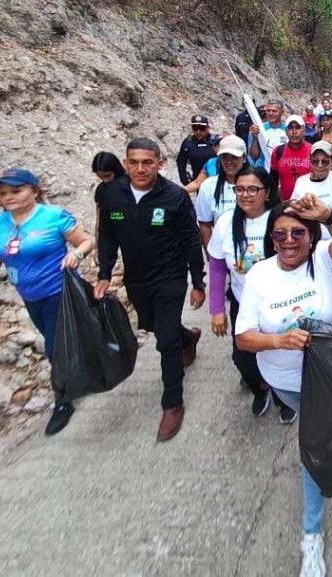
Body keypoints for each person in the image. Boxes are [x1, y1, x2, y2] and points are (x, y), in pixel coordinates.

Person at [234, 195, 332, 577]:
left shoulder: (324, 261)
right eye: (279, 234)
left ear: (311, 234)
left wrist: (329, 215)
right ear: (271, 239)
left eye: (297, 232)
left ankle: (316, 512)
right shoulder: (259, 276)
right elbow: (243, 338)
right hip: (288, 381)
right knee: (316, 446)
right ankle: (311, 537)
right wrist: (279, 341)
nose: (288, 240)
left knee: (321, 438)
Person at [0, 167, 94, 436]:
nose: (8, 197)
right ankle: (81, 361)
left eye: (16, 191)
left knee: (54, 349)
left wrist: (76, 253)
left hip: (59, 291)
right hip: (30, 297)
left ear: (35, 191)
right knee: (59, 341)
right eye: (3, 193)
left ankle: (63, 400)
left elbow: (86, 240)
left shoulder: (54, 216)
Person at [95, 139, 205, 442]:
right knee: (155, 327)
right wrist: (104, 273)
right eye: (134, 162)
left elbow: (190, 240)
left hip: (170, 277)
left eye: (147, 162)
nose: (140, 168)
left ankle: (172, 403)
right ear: (126, 163)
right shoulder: (111, 195)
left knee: (165, 341)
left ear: (160, 162)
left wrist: (198, 281)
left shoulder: (175, 197)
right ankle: (189, 336)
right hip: (136, 279)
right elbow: (107, 237)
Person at [207, 166, 278, 417]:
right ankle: (260, 389)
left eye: (252, 189)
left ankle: (285, 397)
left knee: (282, 355)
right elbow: (216, 268)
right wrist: (216, 309)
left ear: (267, 192)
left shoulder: (279, 218)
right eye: (239, 189)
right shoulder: (226, 222)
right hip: (243, 303)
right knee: (242, 358)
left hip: (278, 303)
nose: (245, 195)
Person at [292, 136, 332, 239]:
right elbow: (293, 208)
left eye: (325, 161)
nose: (319, 165)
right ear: (310, 161)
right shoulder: (301, 182)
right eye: (315, 161)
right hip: (313, 243)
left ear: (331, 162)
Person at [195, 135, 247, 247]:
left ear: (244, 158)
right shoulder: (208, 186)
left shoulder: (257, 183)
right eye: (224, 157)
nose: (229, 162)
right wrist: (211, 256)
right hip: (222, 250)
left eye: (234, 157)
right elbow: (204, 224)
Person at [266, 115, 312, 201]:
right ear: (286, 131)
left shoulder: (312, 150)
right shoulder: (278, 151)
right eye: (290, 128)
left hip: (308, 204)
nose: (294, 132)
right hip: (286, 204)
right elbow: (273, 178)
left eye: (298, 128)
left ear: (304, 130)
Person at [92, 151, 126, 264]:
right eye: (100, 177)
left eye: (108, 176)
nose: (105, 181)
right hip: (112, 232)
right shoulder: (102, 190)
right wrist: (97, 248)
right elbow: (99, 220)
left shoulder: (133, 184)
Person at [176, 115, 220, 185]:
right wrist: (184, 179)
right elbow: (181, 161)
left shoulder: (216, 141)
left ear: (208, 128)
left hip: (216, 181)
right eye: (195, 128)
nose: (198, 131)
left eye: (202, 128)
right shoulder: (188, 142)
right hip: (197, 181)